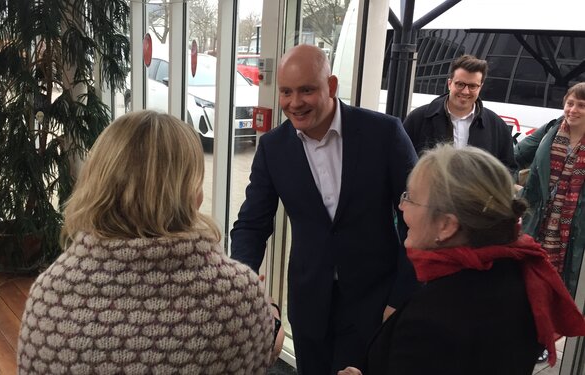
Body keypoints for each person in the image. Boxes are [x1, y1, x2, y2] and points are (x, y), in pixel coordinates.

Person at [17, 111, 283, 374]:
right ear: (188, 193)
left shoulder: (49, 296)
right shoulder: (238, 297)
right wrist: (268, 316)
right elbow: (258, 357)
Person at [230, 44, 419, 374]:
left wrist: (402, 297)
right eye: (286, 92)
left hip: (375, 303)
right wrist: (243, 288)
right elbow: (251, 224)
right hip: (308, 305)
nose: (294, 102)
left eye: (306, 90)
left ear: (330, 86)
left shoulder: (385, 133)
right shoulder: (273, 149)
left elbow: (417, 219)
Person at [338, 145, 585, 375]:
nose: (402, 207)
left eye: (410, 198)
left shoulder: (431, 320)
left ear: (446, 226)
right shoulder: (523, 276)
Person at [516, 82, 585, 297]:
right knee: (526, 287)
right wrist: (513, 189)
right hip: (536, 223)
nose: (572, 110)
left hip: (574, 233)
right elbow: (513, 157)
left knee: (560, 291)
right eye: (570, 103)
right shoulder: (549, 130)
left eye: (581, 105)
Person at [403, 54, 516, 171]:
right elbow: (401, 161)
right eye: (460, 84)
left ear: (480, 87)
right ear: (449, 84)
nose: (466, 91)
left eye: (472, 86)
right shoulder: (418, 119)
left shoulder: (496, 125)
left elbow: (508, 169)